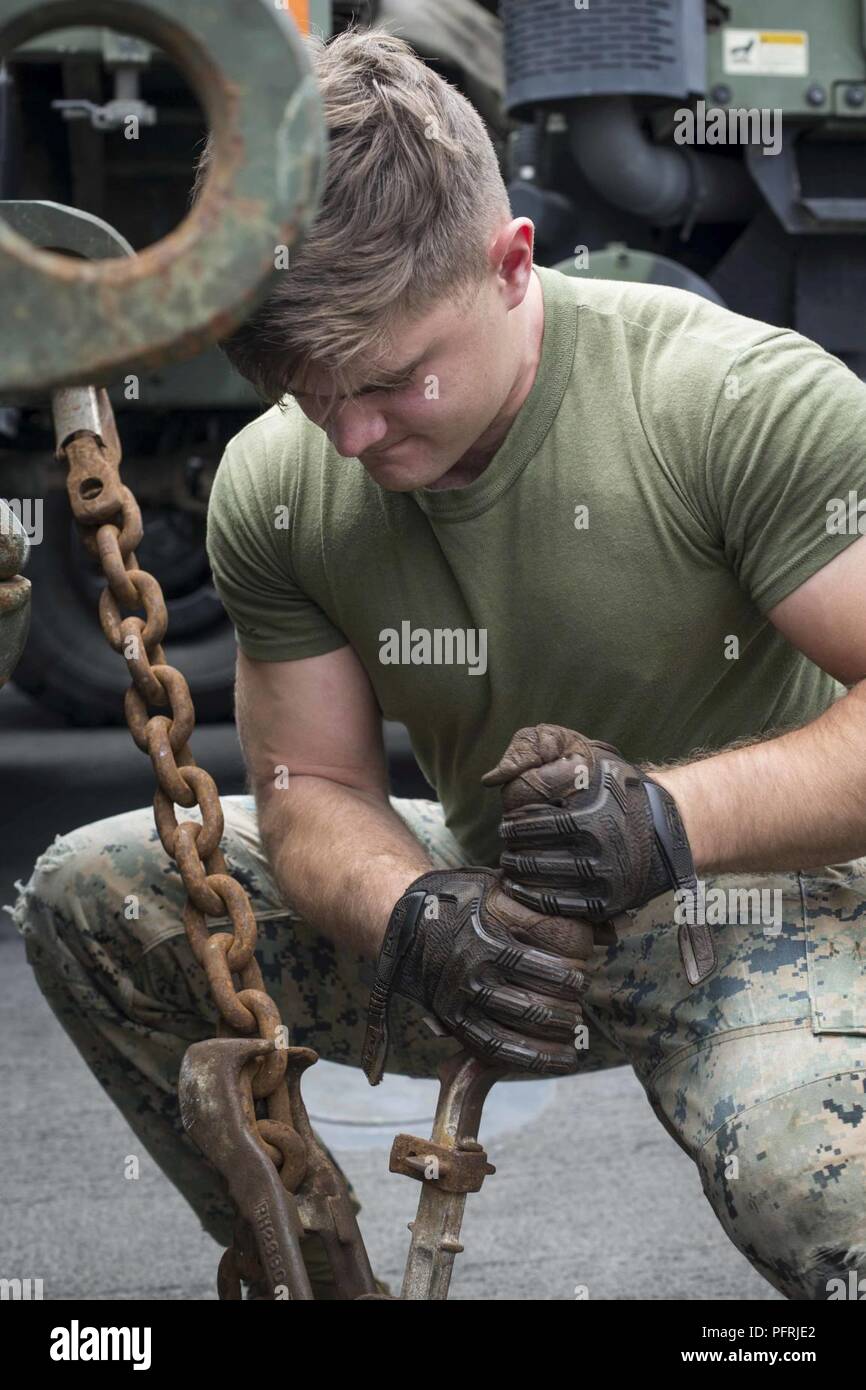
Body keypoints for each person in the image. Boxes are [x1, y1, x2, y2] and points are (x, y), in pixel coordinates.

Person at [12, 26, 866, 1301]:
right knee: (96, 896)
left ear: (512, 261)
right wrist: (416, 915)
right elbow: (312, 786)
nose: (351, 435)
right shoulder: (282, 478)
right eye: (313, 394)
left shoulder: (733, 403)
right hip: (491, 917)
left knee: (827, 1190)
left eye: (394, 382)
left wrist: (667, 816)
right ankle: (304, 1262)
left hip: (758, 905)